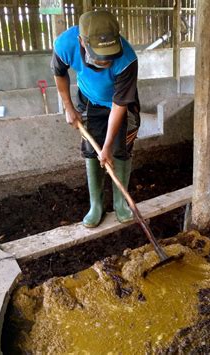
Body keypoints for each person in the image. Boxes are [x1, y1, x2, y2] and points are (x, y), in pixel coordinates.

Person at [51, 9, 140, 228]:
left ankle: (121, 204)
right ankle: (96, 206)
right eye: (100, 55)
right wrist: (69, 107)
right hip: (89, 100)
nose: (106, 61)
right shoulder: (65, 44)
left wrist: (108, 145)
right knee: (92, 150)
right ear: (82, 42)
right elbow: (59, 73)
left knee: (121, 149)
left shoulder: (127, 60)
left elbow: (119, 106)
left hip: (119, 103)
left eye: (110, 54)